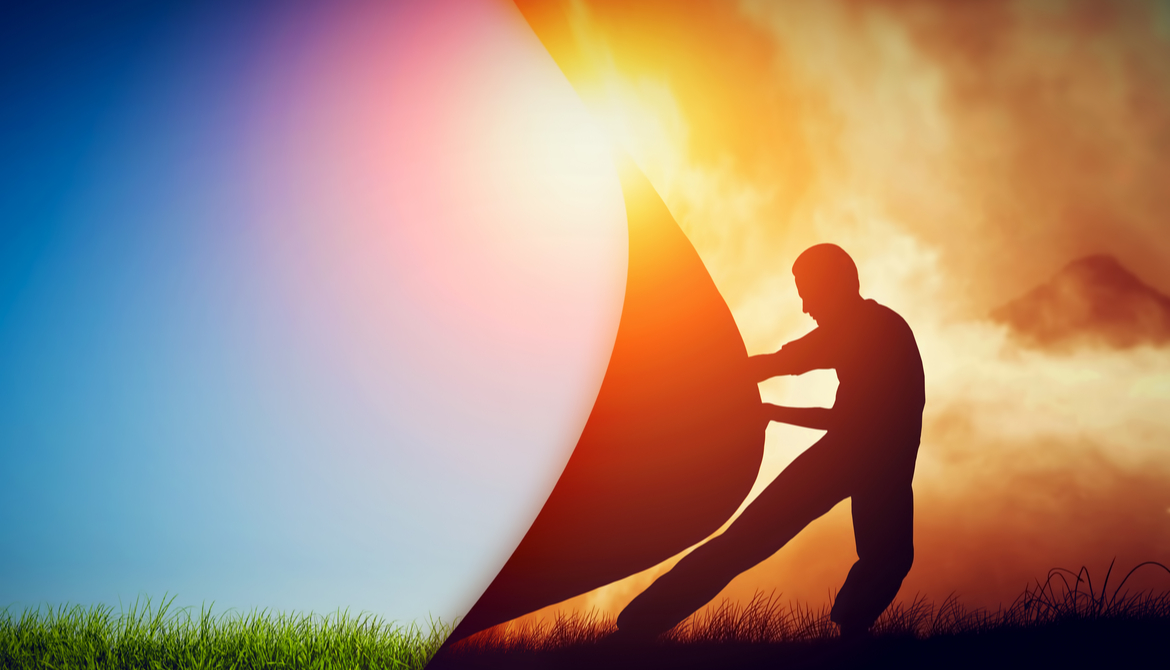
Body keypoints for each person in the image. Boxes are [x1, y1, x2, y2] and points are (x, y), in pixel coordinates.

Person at [613, 243, 925, 640]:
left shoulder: (869, 329)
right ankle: (638, 624)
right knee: (752, 543)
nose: (805, 307)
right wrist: (706, 382)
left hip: (863, 460)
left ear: (834, 285)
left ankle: (852, 628)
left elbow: (848, 420)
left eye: (807, 293)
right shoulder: (866, 325)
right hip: (861, 459)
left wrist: (771, 411)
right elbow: (781, 365)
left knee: (882, 556)